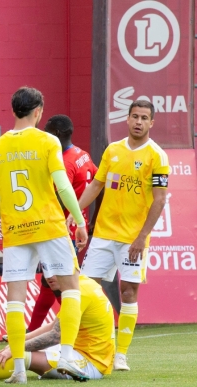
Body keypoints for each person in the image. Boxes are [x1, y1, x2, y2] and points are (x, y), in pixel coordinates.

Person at [0, 86, 88, 384]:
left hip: (16, 230)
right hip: (50, 225)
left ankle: (18, 370)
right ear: (38, 111)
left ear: (14, 110)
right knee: (70, 290)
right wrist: (79, 221)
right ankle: (66, 358)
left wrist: (10, 218)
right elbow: (63, 187)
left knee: (15, 300)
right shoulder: (47, 141)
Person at [68, 99, 169, 371]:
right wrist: (76, 213)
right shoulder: (112, 150)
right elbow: (97, 185)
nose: (138, 122)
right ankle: (78, 346)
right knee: (84, 289)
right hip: (103, 235)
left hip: (132, 239)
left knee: (128, 292)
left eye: (144, 118)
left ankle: (121, 354)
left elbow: (159, 200)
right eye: (134, 116)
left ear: (151, 123)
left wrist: (141, 237)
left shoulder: (157, 156)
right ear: (127, 119)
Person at [0, 275, 115, 382]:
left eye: (54, 270)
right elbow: (55, 326)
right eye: (46, 269)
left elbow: (55, 336)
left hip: (90, 363)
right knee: (14, 350)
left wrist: (17, 348)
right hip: (79, 351)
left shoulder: (80, 292)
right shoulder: (82, 284)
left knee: (20, 356)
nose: (49, 276)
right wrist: (18, 341)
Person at [27, 115, 98, 332]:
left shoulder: (64, 163)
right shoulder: (83, 155)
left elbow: (57, 199)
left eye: (47, 132)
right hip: (76, 228)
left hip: (61, 231)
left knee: (60, 284)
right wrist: (91, 221)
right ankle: (32, 332)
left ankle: (76, 328)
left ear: (56, 135)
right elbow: (98, 184)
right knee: (50, 285)